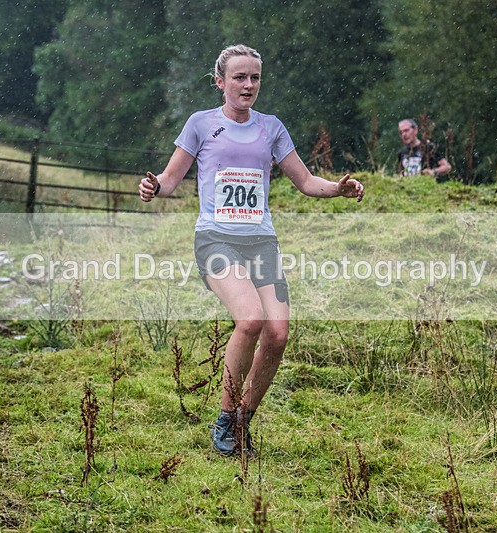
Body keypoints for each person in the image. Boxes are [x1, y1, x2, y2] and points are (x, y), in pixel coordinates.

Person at [139, 44, 364, 457]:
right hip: (216, 239)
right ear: (220, 82)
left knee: (277, 335)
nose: (248, 85)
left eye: (255, 77)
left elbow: (305, 180)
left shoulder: (271, 127)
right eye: (239, 77)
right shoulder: (200, 124)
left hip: (260, 240)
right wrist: (154, 187)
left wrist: (338, 188)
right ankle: (225, 420)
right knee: (251, 320)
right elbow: (170, 179)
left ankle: (244, 420)